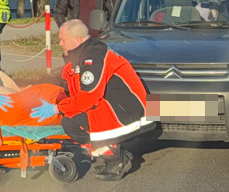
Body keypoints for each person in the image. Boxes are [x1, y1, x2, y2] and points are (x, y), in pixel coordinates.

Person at [30, 19, 154, 180]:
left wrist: (57, 109)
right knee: (72, 118)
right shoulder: (82, 55)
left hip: (131, 110)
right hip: (117, 105)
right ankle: (111, 154)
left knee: (72, 123)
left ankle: (115, 157)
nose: (60, 43)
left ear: (78, 40)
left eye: (63, 39)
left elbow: (89, 98)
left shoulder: (94, 57)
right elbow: (74, 89)